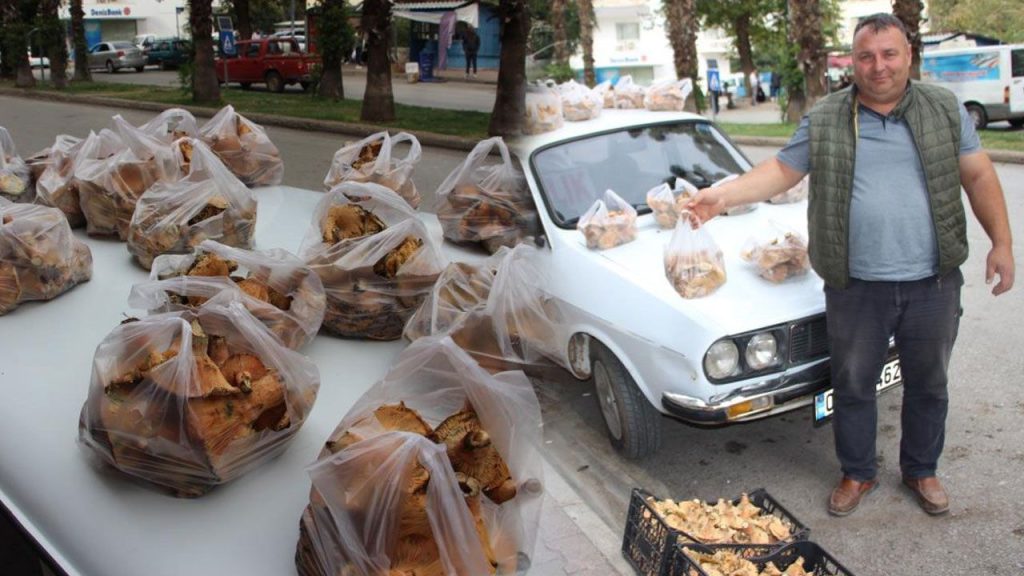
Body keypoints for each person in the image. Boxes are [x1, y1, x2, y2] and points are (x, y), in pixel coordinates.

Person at [688, 13, 1014, 517]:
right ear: (853, 62)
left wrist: (1002, 243)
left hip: (932, 282)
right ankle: (858, 472)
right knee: (854, 385)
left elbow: (978, 175)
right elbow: (782, 170)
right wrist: (722, 196)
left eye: (888, 54)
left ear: (908, 55)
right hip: (856, 285)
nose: (878, 66)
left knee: (929, 384)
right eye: (866, 56)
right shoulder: (826, 117)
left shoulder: (943, 107)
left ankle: (921, 469)